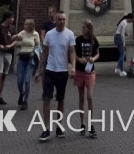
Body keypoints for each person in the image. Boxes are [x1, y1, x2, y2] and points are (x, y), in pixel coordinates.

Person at [34, 10, 75, 142]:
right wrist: (39, 70)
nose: (62, 21)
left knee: (61, 100)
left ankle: (59, 126)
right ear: (55, 20)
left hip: (62, 71)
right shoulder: (50, 35)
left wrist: (72, 66)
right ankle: (46, 129)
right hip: (50, 70)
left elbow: (72, 52)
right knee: (46, 99)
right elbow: (44, 53)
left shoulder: (70, 34)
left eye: (64, 19)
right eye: (60, 19)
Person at [74, 19, 100, 138]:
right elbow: (73, 54)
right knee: (81, 98)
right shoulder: (78, 40)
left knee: (89, 96)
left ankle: (91, 124)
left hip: (90, 71)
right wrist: (79, 60)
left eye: (84, 27)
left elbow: (97, 53)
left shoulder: (93, 40)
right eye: (82, 27)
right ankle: (82, 123)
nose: (82, 29)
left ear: (89, 28)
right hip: (80, 70)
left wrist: (93, 59)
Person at [13, 17, 40, 110]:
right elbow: (13, 39)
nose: (24, 25)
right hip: (22, 57)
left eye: (26, 24)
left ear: (30, 25)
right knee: (19, 81)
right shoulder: (22, 33)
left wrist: (34, 52)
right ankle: (21, 93)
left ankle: (25, 101)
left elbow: (38, 46)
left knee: (27, 81)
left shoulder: (35, 34)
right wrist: (16, 37)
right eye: (24, 24)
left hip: (30, 58)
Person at [0, 12, 15, 106]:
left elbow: (15, 40)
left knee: (4, 75)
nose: (13, 20)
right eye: (11, 18)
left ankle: (0, 96)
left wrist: (10, 45)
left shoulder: (13, 28)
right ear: (7, 18)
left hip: (8, 53)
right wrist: (0, 46)